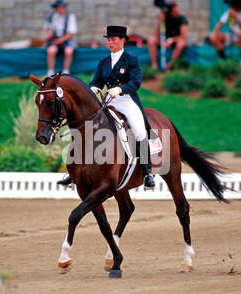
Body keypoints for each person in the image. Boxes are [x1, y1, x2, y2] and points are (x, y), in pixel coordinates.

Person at [58, 26, 156, 189]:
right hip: (108, 101)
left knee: (139, 130)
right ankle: (74, 171)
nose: (110, 42)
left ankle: (147, 172)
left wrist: (120, 89)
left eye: (113, 39)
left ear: (122, 40)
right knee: (87, 129)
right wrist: (94, 88)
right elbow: (96, 81)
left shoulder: (132, 60)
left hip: (126, 100)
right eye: (108, 40)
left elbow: (136, 82)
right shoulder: (103, 62)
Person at [210, 0, 241, 68]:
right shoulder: (231, 11)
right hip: (233, 36)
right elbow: (220, 24)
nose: (231, 7)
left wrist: (235, 17)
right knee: (213, 37)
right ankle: (223, 59)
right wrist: (215, 33)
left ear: (238, 7)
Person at [147, 1, 189, 71]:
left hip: (174, 41)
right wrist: (159, 21)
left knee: (181, 43)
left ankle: (170, 66)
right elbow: (156, 35)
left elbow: (183, 37)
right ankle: (154, 66)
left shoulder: (182, 19)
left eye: (178, 10)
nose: (177, 12)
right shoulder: (164, 18)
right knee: (151, 40)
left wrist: (170, 40)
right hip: (163, 41)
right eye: (175, 11)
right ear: (171, 12)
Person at [43, 0, 77, 75]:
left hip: (67, 40)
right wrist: (49, 34)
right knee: (51, 51)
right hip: (55, 39)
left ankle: (66, 72)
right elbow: (45, 28)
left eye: (61, 7)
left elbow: (71, 33)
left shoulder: (70, 17)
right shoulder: (52, 17)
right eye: (58, 8)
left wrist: (60, 40)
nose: (60, 9)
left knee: (69, 51)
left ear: (64, 8)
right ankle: (50, 72)